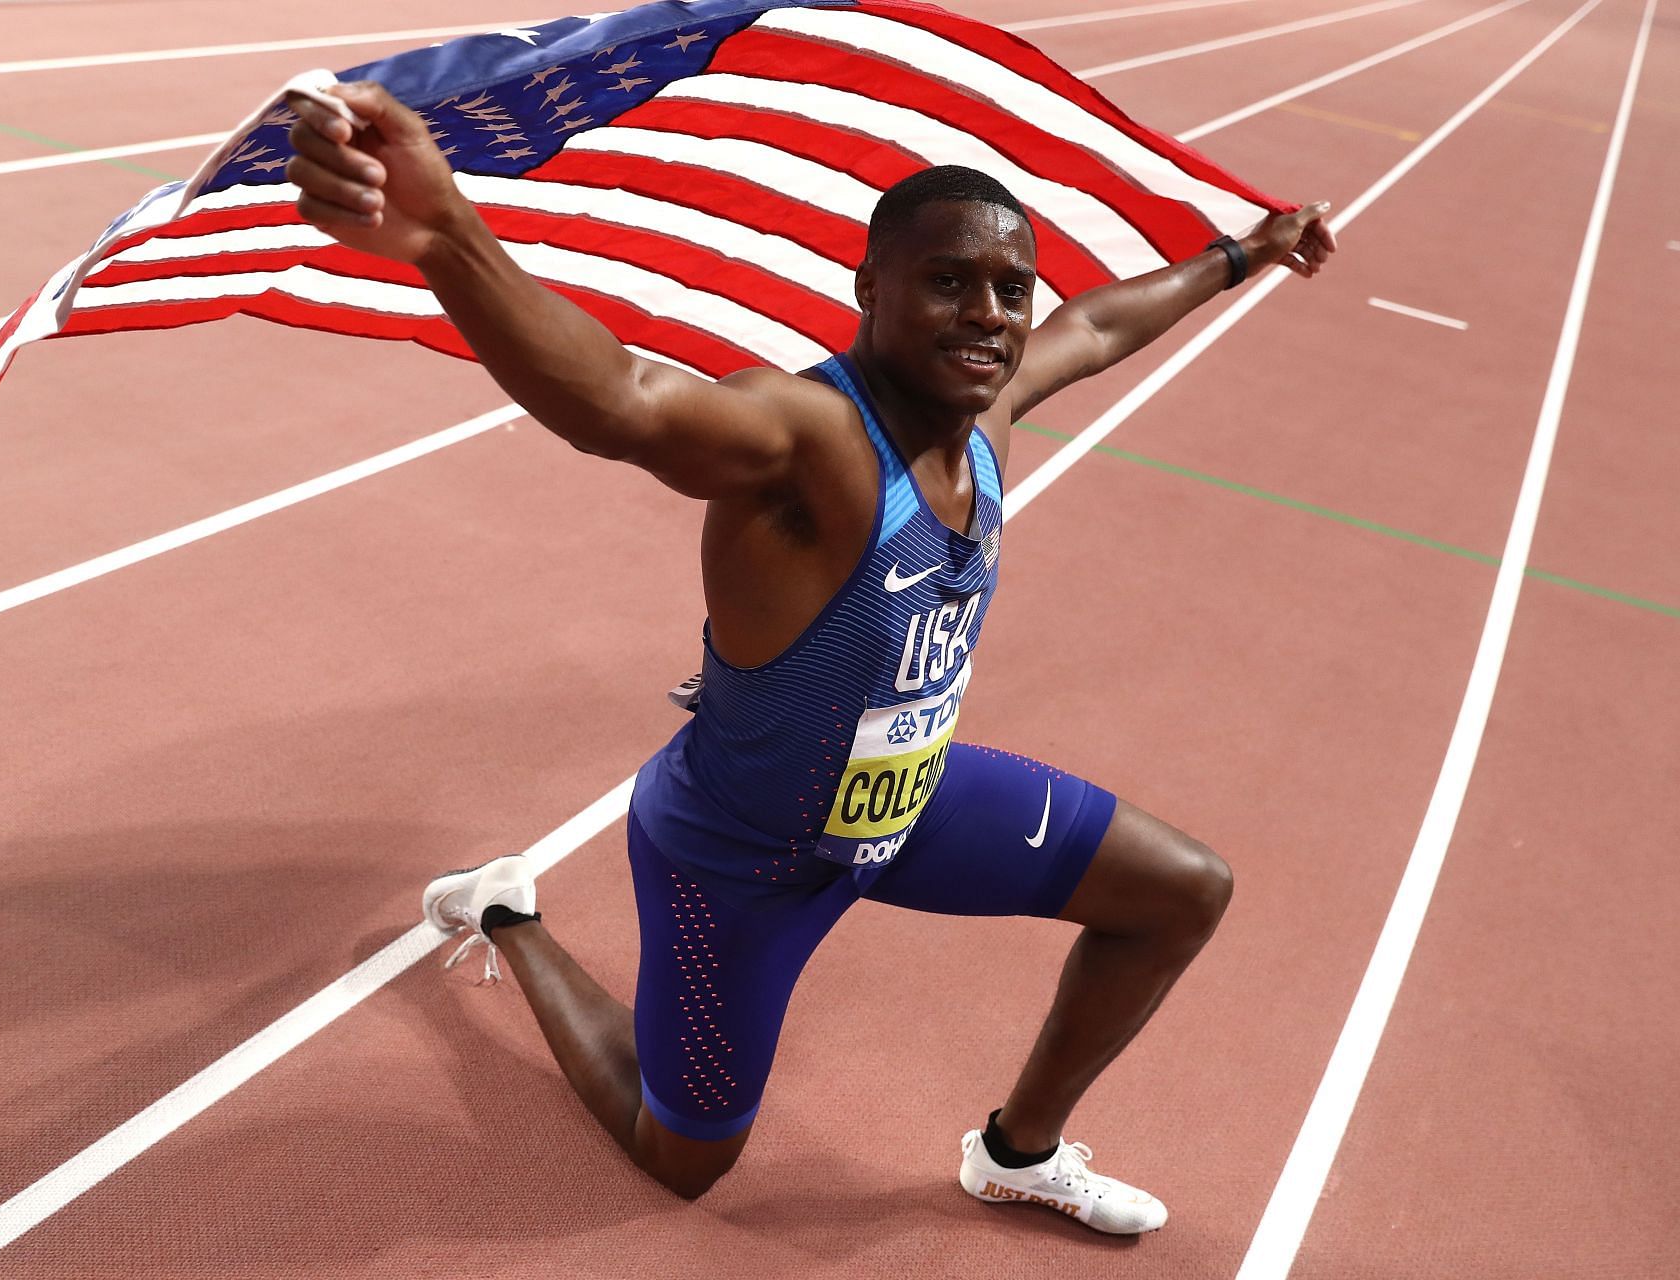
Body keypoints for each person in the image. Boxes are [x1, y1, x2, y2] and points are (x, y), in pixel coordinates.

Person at [286, 79, 1335, 1233]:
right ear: (869, 291)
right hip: (744, 853)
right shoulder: (808, 440)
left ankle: (1015, 1152)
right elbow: (621, 402)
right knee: (682, 1158)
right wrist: (446, 237)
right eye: (948, 283)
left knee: (1181, 890)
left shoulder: (983, 413)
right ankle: (507, 915)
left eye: (1007, 289)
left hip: (909, 808)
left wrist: (1242, 254)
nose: (989, 314)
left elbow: (1095, 327)